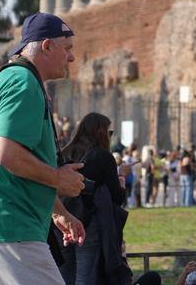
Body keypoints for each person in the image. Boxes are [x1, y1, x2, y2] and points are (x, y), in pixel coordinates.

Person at [0, 13, 86, 283]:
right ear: (47, 46)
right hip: (14, 231)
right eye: (67, 48)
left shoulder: (13, 79)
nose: (71, 57)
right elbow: (7, 153)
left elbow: (20, 167)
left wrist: (58, 210)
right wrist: (58, 179)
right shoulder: (23, 83)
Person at [58, 112, 128, 285]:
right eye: (109, 132)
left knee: (64, 277)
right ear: (100, 132)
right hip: (88, 223)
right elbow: (117, 198)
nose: (110, 137)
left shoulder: (65, 152)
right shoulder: (102, 156)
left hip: (61, 220)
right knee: (85, 278)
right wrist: (122, 178)